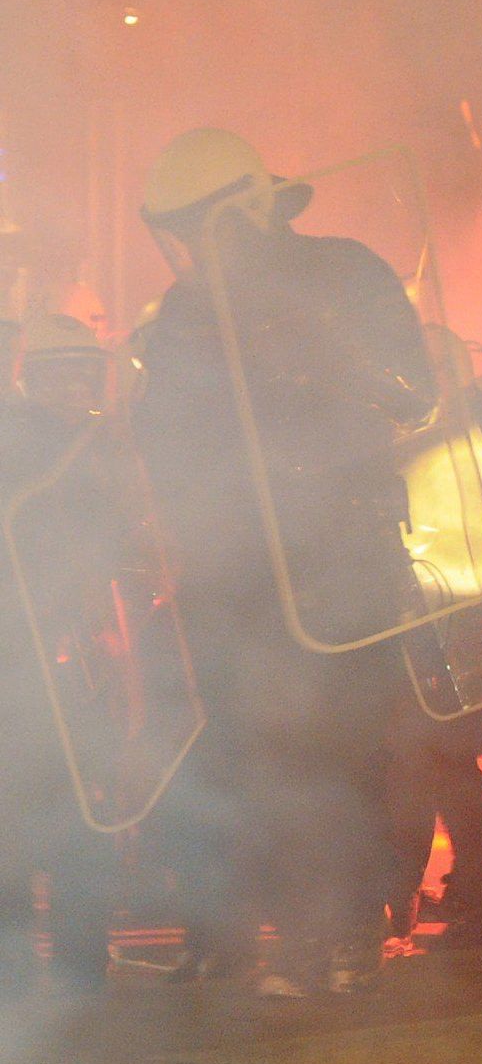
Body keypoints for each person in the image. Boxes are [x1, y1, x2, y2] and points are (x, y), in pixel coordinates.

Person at [134, 127, 437, 996]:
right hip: (234, 570)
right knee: (231, 752)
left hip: (343, 554)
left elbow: (414, 392)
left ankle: (341, 939)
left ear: (240, 214)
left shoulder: (347, 273)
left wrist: (327, 355)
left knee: (343, 750)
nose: (188, 250)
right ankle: (228, 935)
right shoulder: (188, 311)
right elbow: (163, 434)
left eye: (196, 229)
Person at [0, 316, 121, 991]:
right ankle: (50, 964)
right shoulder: (44, 444)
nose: (76, 385)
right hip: (32, 655)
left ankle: (65, 961)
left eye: (85, 370)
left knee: (71, 808)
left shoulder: (91, 444)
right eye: (62, 371)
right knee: (40, 813)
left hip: (65, 653)